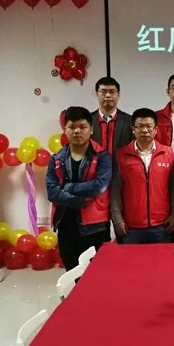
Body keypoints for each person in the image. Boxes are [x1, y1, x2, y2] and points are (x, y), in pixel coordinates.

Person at [46, 106, 112, 270]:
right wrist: (80, 201)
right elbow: (52, 192)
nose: (77, 131)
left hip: (95, 225)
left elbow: (99, 187)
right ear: (65, 130)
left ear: (91, 130)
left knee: (96, 273)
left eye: (82, 127)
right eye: (72, 127)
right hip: (66, 224)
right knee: (72, 271)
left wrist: (67, 187)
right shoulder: (56, 159)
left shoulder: (102, 156)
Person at [110, 108, 174, 245]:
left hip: (162, 225)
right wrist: (117, 219)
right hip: (132, 227)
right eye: (140, 127)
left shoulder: (167, 153)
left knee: (161, 259)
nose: (145, 130)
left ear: (155, 130)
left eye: (148, 126)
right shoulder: (122, 155)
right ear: (133, 130)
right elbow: (116, 190)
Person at [91, 76, 133, 157]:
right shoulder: (88, 120)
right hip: (94, 165)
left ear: (119, 94)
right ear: (96, 94)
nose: (108, 95)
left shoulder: (129, 121)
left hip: (121, 165)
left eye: (112, 91)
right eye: (103, 92)